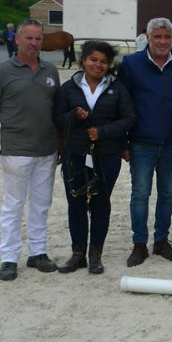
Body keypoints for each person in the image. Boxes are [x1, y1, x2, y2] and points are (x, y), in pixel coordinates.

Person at [0, 19, 60, 281]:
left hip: (47, 150)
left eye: (38, 38)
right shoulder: (1, 72)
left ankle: (37, 252)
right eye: (29, 38)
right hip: (16, 150)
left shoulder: (50, 70)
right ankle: (9, 257)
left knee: (41, 204)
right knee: (13, 205)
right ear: (17, 39)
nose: (34, 43)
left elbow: (56, 109)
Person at [117, 17, 172, 267]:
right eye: (157, 37)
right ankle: (139, 243)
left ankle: (161, 240)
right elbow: (122, 103)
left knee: (168, 193)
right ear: (148, 38)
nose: (162, 41)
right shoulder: (131, 64)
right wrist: (124, 142)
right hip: (141, 142)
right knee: (140, 194)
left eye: (166, 37)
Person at [55, 41, 136, 274]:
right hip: (75, 154)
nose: (98, 65)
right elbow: (58, 119)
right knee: (76, 203)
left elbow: (129, 118)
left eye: (103, 61)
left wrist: (103, 132)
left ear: (108, 64)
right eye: (93, 60)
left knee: (101, 203)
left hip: (107, 154)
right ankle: (78, 253)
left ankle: (95, 254)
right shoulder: (69, 87)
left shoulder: (118, 88)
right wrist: (73, 115)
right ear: (84, 60)